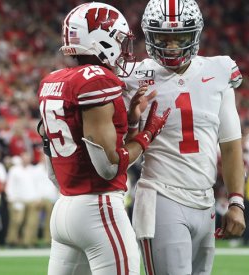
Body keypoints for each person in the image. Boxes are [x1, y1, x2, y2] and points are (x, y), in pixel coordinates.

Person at [38, 2, 169, 275]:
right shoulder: (97, 80)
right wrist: (147, 134)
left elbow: (52, 162)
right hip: (98, 208)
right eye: (119, 40)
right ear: (100, 39)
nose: (122, 49)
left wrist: (131, 121)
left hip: (64, 208)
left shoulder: (54, 80)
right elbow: (109, 165)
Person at [123, 0, 246, 274]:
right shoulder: (132, 77)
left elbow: (231, 143)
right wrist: (133, 122)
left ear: (196, 34)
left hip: (206, 200)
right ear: (150, 35)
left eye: (180, 37)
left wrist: (236, 201)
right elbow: (118, 153)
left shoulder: (220, 71)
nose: (172, 46)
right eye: (164, 38)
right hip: (161, 195)